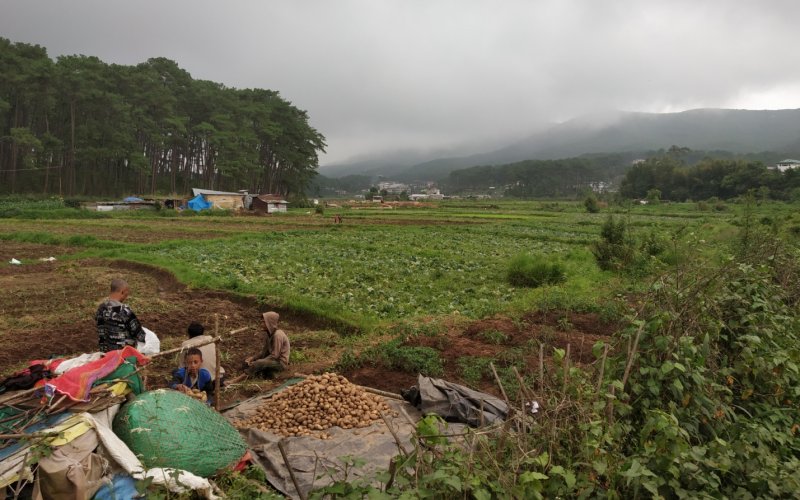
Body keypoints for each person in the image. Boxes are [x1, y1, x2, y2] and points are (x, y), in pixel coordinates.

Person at [96, 278, 146, 353]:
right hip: (123, 353)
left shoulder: (101, 308)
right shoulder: (124, 311)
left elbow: (101, 330)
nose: (127, 297)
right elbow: (140, 335)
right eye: (126, 294)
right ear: (122, 292)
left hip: (106, 352)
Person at [244, 311, 290, 379]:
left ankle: (235, 380)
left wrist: (260, 362)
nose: (261, 324)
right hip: (273, 361)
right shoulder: (269, 335)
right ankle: (255, 374)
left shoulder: (278, 335)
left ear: (270, 323)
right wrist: (253, 358)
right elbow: (264, 352)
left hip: (280, 363)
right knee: (249, 363)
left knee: (258, 363)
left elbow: (275, 356)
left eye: (263, 322)